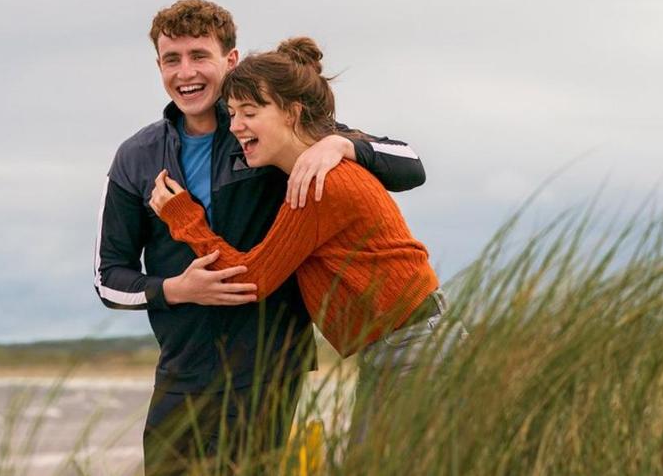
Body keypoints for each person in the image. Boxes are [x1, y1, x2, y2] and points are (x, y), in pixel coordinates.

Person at [93, 0, 427, 474]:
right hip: (183, 370)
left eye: (199, 56)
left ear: (230, 60)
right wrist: (173, 289)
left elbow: (409, 163)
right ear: (159, 67)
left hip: (270, 369)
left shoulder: (269, 127)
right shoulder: (136, 158)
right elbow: (108, 277)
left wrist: (340, 143)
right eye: (172, 59)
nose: (186, 72)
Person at [150, 36, 463, 443]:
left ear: (293, 113)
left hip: (416, 350)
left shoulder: (320, 182)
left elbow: (252, 278)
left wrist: (185, 219)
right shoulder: (307, 174)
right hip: (403, 345)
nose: (236, 125)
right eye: (231, 114)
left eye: (249, 112)